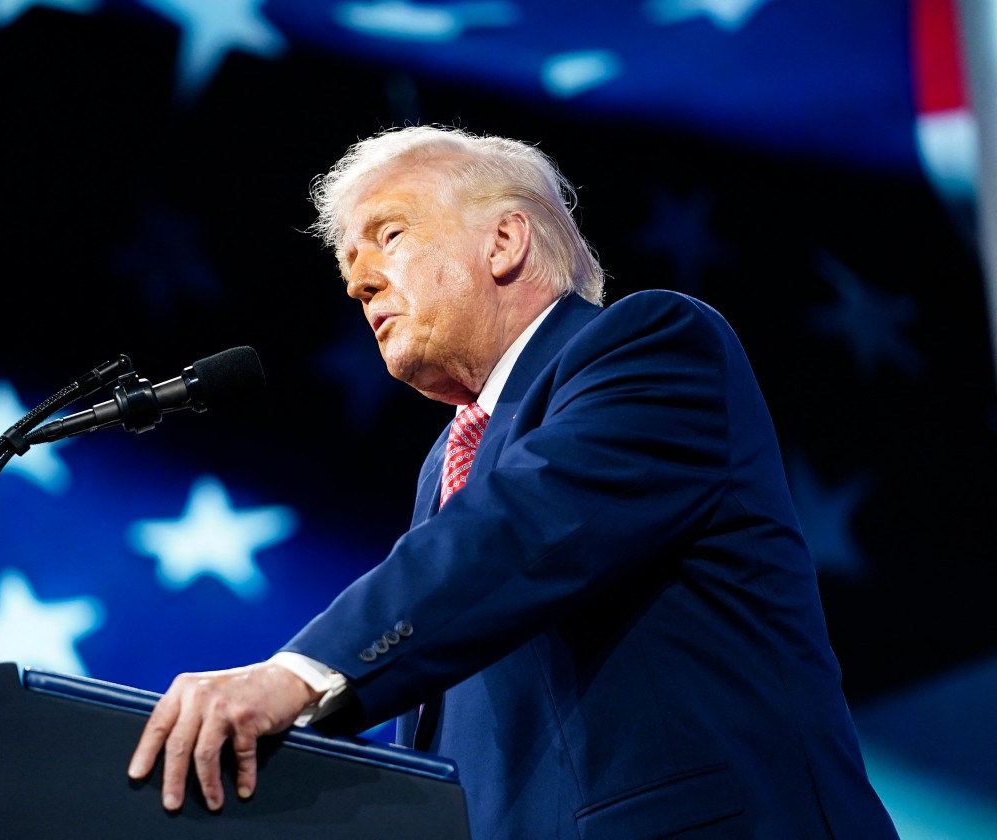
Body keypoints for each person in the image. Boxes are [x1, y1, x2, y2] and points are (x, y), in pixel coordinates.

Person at [128, 125, 900, 838]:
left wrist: (296, 674)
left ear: (505, 240)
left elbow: (522, 528)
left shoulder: (653, 345)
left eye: (388, 236)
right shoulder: (449, 460)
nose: (359, 281)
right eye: (348, 267)